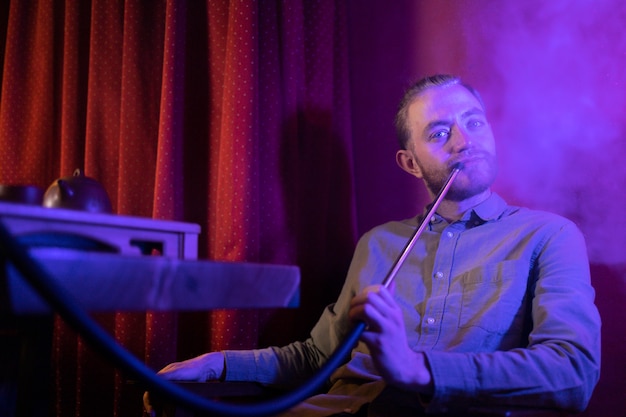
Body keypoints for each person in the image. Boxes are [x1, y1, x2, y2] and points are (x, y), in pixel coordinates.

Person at [144, 74, 601, 416]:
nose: (464, 141)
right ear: (410, 163)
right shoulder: (379, 243)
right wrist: (217, 364)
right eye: (440, 133)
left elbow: (573, 373)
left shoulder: (549, 235)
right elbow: (317, 357)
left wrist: (418, 370)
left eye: (474, 122)